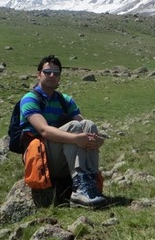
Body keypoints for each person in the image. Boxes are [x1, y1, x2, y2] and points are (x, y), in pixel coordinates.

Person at [19, 55, 107, 207]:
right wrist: (74, 139)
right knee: (74, 128)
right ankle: (80, 188)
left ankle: (90, 183)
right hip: (45, 160)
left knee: (89, 125)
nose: (52, 75)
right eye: (47, 72)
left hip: (63, 156)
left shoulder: (65, 100)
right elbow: (44, 130)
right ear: (38, 74)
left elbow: (84, 126)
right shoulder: (29, 99)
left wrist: (99, 139)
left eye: (56, 73)